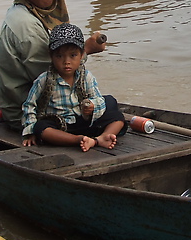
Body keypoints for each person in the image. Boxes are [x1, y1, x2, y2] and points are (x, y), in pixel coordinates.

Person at [0, 0, 106, 132]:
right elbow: (56, 75)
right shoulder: (27, 27)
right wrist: (85, 49)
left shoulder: (25, 11)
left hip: (31, 103)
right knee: (109, 108)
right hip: (26, 114)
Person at [21, 23, 126, 151]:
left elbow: (97, 98)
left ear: (81, 55)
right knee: (40, 128)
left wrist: (92, 105)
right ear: (51, 56)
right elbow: (29, 105)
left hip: (82, 120)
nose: (66, 61)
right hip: (60, 125)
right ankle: (77, 140)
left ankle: (101, 139)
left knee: (117, 116)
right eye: (59, 56)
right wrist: (30, 131)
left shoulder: (86, 76)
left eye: (73, 55)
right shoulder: (44, 80)